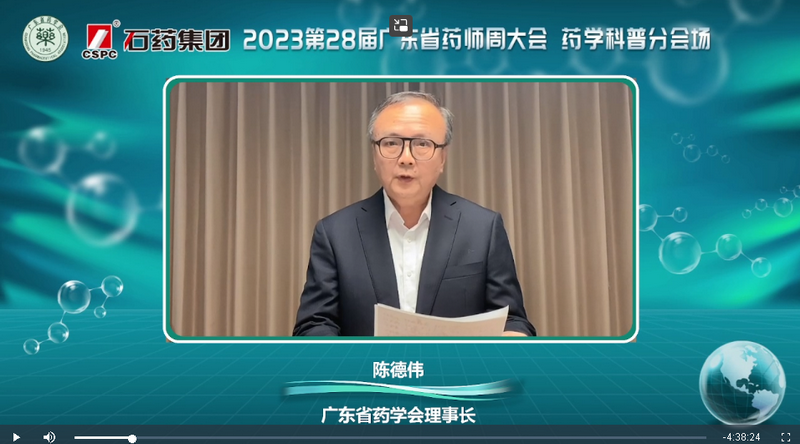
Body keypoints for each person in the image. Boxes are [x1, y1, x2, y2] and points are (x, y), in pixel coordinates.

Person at [293, 91, 535, 337]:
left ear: (442, 158)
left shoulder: (483, 228)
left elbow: (513, 319)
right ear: (374, 155)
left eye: (422, 144)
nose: (406, 159)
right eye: (391, 143)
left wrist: (513, 338)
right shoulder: (335, 233)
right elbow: (313, 325)